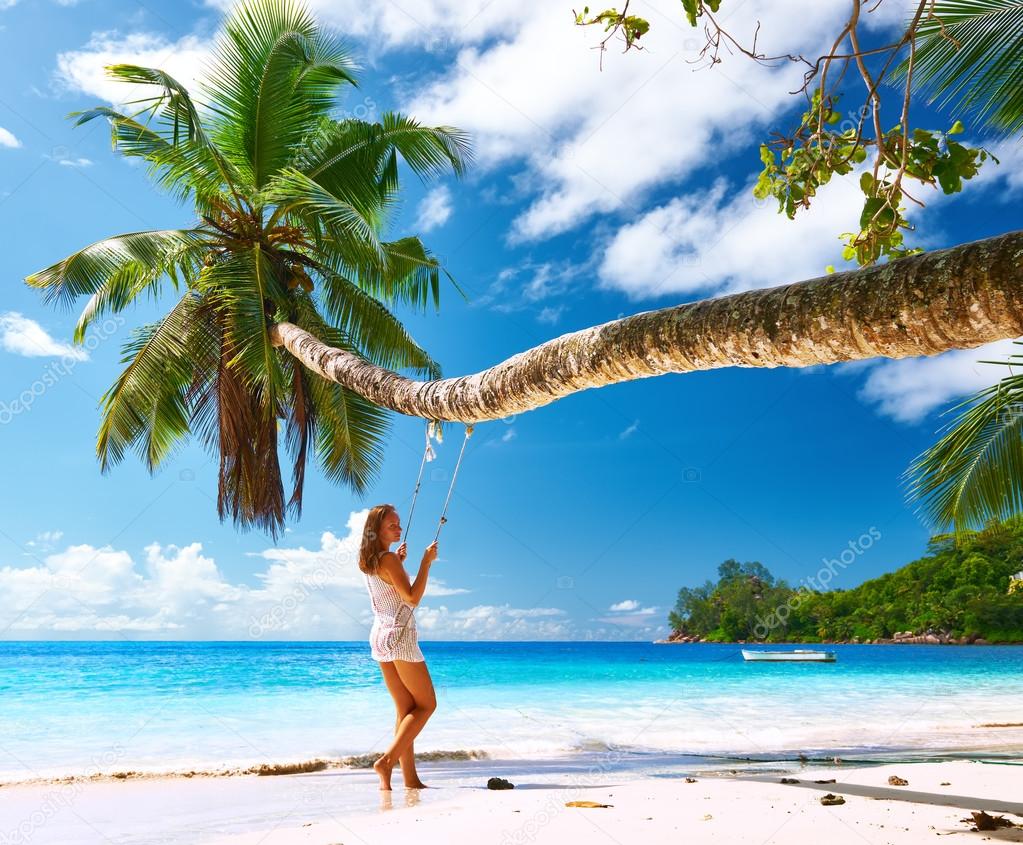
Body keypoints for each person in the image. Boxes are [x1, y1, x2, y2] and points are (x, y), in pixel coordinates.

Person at [358, 504, 440, 791]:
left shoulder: (372, 561)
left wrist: (400, 564)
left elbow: (389, 591)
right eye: (392, 525)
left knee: (405, 710)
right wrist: (425, 562)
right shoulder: (389, 559)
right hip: (400, 636)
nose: (398, 528)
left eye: (398, 523)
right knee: (428, 705)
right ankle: (386, 761)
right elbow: (411, 598)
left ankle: (410, 779)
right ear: (377, 529)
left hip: (379, 636)